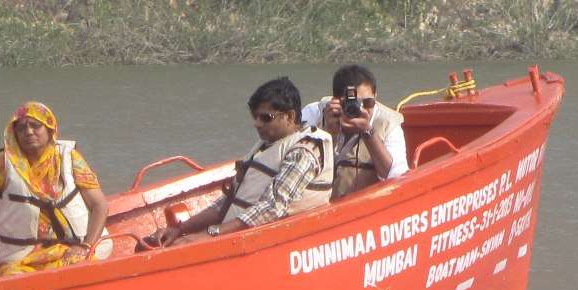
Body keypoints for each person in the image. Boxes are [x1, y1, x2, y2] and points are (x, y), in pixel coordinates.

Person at [146, 76, 332, 246]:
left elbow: (273, 207)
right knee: (154, 244)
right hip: (231, 235)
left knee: (179, 247)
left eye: (266, 118)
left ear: (290, 116)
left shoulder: (304, 150)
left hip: (263, 243)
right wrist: (180, 229)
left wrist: (210, 234)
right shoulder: (267, 144)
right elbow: (225, 203)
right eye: (255, 117)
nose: (257, 123)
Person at [0, 100, 109, 276]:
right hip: (23, 258)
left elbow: (100, 206)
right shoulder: (2, 165)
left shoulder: (69, 157)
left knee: (83, 267)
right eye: (21, 128)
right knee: (12, 277)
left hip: (76, 247)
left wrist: (86, 246)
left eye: (35, 126)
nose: (28, 132)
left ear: (50, 129)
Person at [301, 63, 408, 200]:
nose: (360, 109)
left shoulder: (388, 122)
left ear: (376, 96)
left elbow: (396, 177)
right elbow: (297, 164)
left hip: (364, 207)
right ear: (336, 101)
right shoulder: (315, 113)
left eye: (368, 102)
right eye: (352, 103)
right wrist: (327, 133)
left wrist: (368, 132)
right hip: (317, 206)